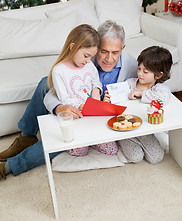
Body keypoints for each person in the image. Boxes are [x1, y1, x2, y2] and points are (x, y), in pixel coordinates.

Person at [0, 20, 137, 180]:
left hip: (99, 119)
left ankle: (10, 166)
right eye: (103, 51)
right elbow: (55, 93)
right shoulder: (87, 58)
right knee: (46, 83)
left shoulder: (133, 67)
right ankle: (26, 136)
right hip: (76, 109)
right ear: (96, 47)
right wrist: (59, 107)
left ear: (123, 49)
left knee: (58, 141)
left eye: (115, 52)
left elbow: (141, 94)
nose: (108, 58)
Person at [47, 24, 118, 156]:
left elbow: (96, 81)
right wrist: (81, 105)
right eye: (86, 56)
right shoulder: (59, 71)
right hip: (77, 117)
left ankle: (92, 139)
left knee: (112, 150)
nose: (88, 61)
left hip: (93, 115)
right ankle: (87, 140)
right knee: (79, 152)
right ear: (73, 47)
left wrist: (96, 91)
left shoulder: (89, 65)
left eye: (91, 57)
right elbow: (64, 98)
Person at [104, 46, 173, 164]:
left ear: (158, 75)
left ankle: (138, 140)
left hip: (145, 131)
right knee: (135, 157)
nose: (140, 73)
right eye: (139, 69)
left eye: (145, 71)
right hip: (126, 129)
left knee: (156, 157)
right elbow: (117, 96)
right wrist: (109, 98)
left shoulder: (159, 89)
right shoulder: (130, 83)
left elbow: (164, 98)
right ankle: (121, 139)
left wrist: (141, 94)